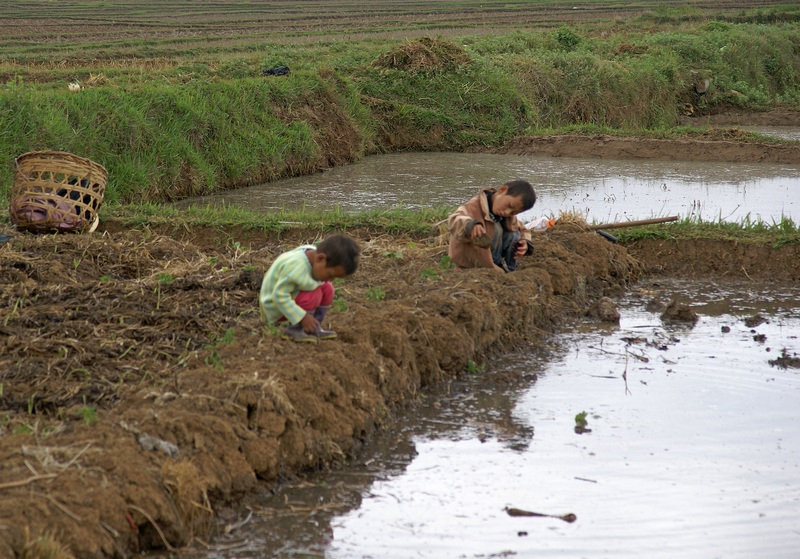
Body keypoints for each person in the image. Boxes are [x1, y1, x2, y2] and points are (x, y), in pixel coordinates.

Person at [259, 234, 360, 343]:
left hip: (287, 301)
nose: (330, 279)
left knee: (327, 289)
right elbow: (279, 296)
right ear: (320, 258)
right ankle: (295, 329)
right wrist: (302, 317)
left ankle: (312, 327)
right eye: (330, 275)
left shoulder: (313, 255)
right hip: (273, 307)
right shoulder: (296, 268)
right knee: (313, 294)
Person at [447, 180, 536, 271]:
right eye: (509, 205)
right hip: (472, 262)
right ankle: (495, 268)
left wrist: (525, 242)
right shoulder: (474, 206)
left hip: (492, 256)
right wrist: (471, 225)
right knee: (496, 229)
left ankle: (510, 269)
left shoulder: (507, 216)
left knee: (514, 234)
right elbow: (454, 219)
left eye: (513, 212)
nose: (507, 212)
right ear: (502, 190)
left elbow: (522, 228)